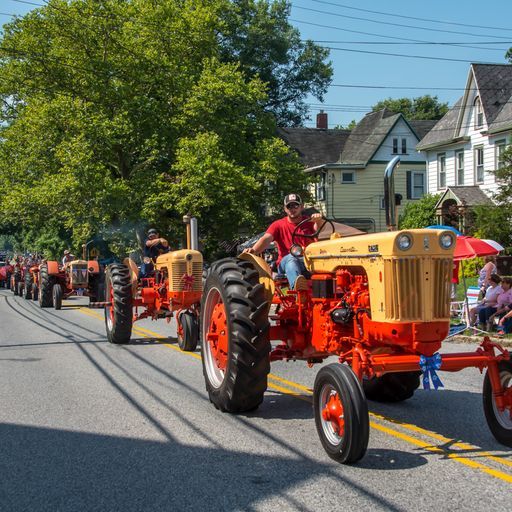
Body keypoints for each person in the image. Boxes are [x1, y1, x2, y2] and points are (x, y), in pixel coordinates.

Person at [243, 193, 321, 290]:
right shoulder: (278, 225)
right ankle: (298, 290)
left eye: (295, 205)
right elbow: (266, 239)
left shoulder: (310, 222)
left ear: (301, 207)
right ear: (285, 209)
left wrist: (318, 221)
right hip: (286, 263)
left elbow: (318, 231)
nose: (292, 209)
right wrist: (253, 250)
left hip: (308, 262)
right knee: (291, 258)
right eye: (289, 206)